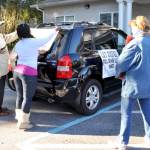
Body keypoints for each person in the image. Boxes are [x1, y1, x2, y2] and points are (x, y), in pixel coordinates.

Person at [11, 23, 57, 129]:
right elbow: (46, 39)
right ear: (29, 32)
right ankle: (23, 123)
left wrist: (36, 52)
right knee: (27, 98)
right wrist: (55, 30)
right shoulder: (33, 42)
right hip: (28, 72)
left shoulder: (18, 44)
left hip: (17, 71)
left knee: (20, 96)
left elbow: (22, 54)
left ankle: (19, 118)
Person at [113, 16, 150, 150]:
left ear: (138, 27)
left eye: (133, 27)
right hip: (148, 84)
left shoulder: (135, 43)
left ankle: (122, 142)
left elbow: (121, 63)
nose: (132, 30)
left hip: (132, 85)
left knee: (126, 114)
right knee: (148, 113)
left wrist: (118, 74)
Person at [0, 21, 18, 116]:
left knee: (1, 89)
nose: (1, 27)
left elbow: (9, 37)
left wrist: (18, 31)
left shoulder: (1, 36)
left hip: (2, 69)